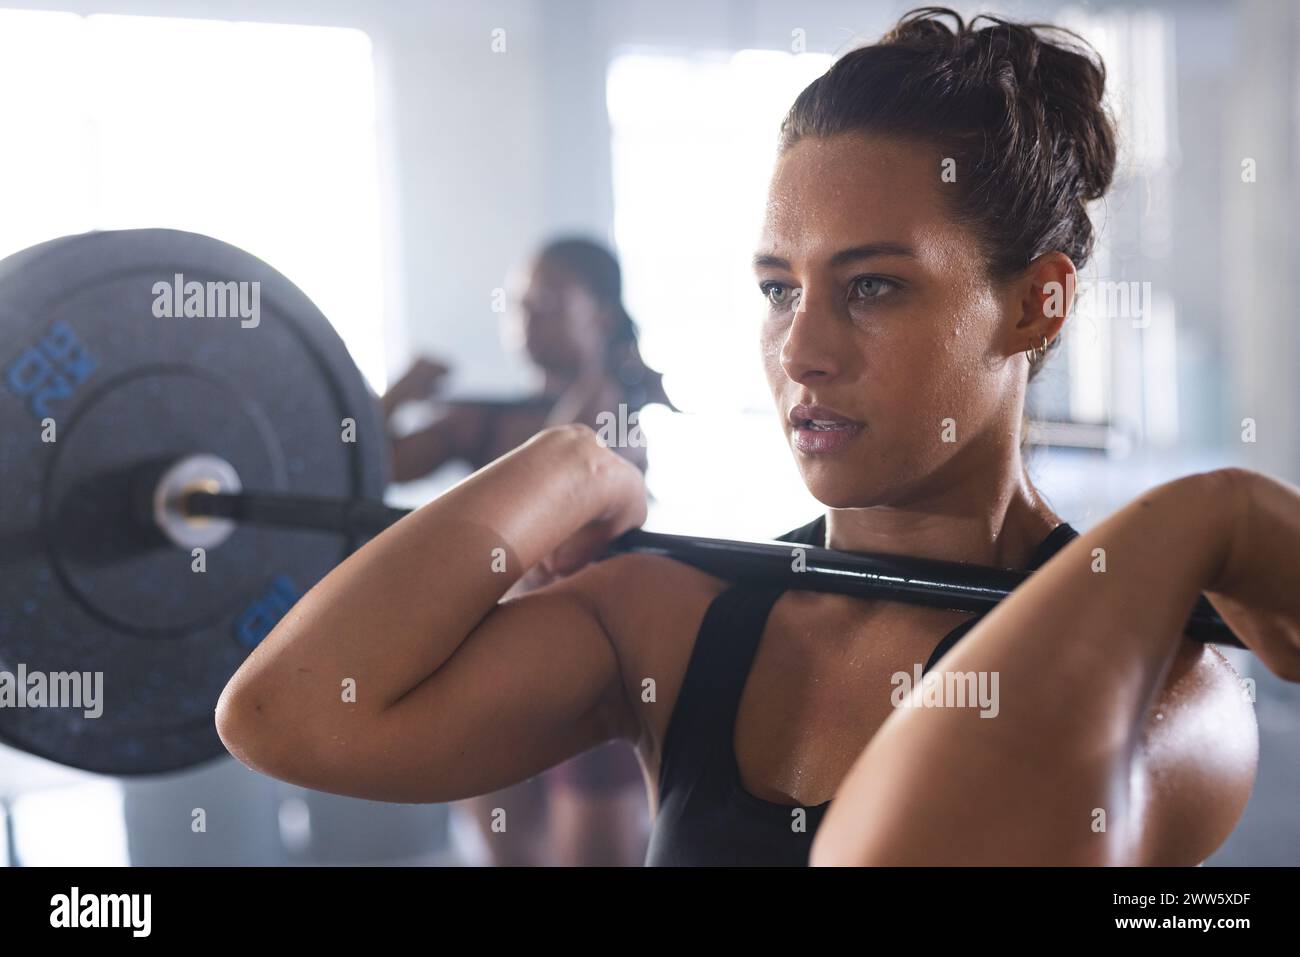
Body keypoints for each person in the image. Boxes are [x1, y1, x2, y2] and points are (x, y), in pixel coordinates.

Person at [215, 8, 1298, 866]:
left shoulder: (1167, 694)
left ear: (1034, 306)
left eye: (872, 285)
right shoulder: (678, 618)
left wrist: (1203, 518)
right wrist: (563, 464)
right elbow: (287, 713)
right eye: (779, 289)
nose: (802, 350)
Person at [380, 237, 671, 866]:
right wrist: (397, 395)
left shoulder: (619, 412)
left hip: (590, 673)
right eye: (517, 303)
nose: (524, 318)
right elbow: (363, 467)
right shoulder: (483, 419)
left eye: (546, 302)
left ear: (598, 312)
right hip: (487, 665)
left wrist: (604, 366)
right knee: (509, 858)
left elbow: (558, 466)